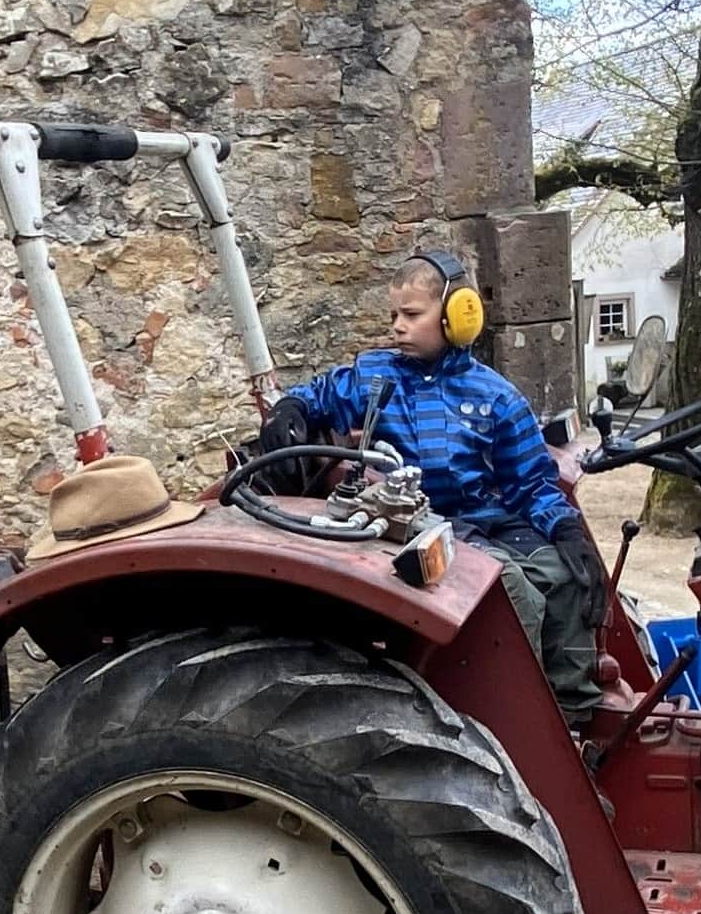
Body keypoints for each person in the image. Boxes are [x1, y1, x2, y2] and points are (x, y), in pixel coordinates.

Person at [259, 253, 611, 720]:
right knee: (510, 592)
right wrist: (291, 409)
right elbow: (318, 395)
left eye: (411, 314)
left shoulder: (495, 396)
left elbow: (530, 483)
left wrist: (564, 528)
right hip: (414, 520)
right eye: (394, 315)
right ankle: (513, 718)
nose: (397, 327)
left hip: (484, 521)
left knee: (565, 578)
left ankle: (572, 713)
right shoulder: (374, 376)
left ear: (456, 316)